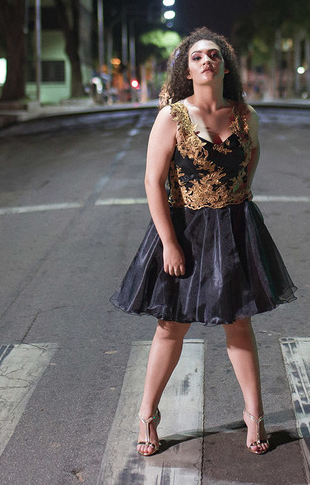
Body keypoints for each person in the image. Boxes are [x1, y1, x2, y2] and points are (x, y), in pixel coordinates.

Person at [110, 27, 297, 457]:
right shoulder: (171, 117)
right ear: (187, 71)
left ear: (225, 67)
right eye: (196, 57)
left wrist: (236, 197)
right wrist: (169, 243)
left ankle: (255, 416)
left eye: (214, 55)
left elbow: (251, 159)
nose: (206, 61)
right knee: (171, 326)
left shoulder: (246, 116)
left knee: (239, 322)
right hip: (185, 231)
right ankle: (147, 415)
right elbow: (153, 182)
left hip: (235, 229)